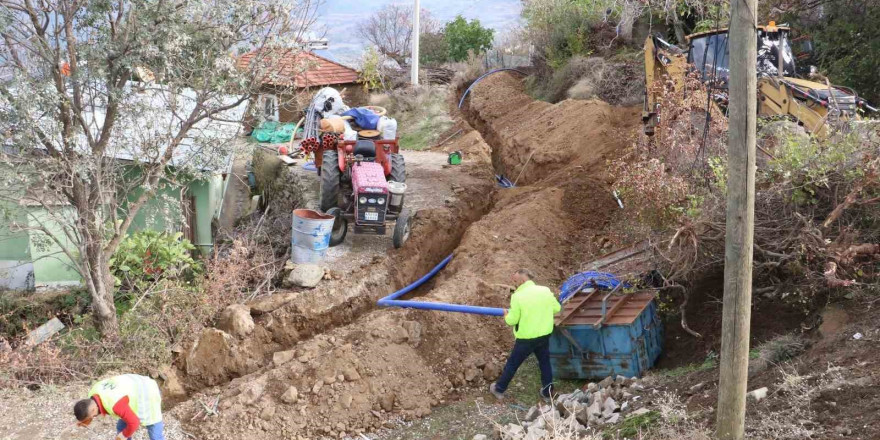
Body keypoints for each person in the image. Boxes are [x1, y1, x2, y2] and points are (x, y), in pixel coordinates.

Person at [490, 269, 561, 401]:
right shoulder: (545, 291)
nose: (515, 284)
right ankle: (548, 392)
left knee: (513, 364)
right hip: (544, 335)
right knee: (545, 362)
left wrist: (506, 315)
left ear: (522, 280)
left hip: (526, 338)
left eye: (516, 281)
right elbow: (557, 308)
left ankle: (499, 389)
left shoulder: (518, 296)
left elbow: (513, 320)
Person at [74, 374, 165, 440]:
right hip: (137, 382)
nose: (94, 417)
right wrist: (86, 419)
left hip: (148, 393)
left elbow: (134, 423)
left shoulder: (114, 405)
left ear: (93, 409)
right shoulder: (94, 391)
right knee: (121, 427)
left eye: (92, 416)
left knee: (154, 432)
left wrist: (122, 436)